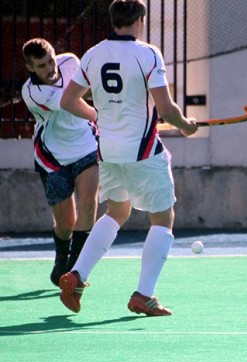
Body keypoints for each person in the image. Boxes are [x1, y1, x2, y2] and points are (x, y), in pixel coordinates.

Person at [59, 0, 198, 316]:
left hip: (108, 151)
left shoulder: (93, 54)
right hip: (143, 152)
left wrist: (98, 116)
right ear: (140, 20)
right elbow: (166, 109)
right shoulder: (147, 54)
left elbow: (67, 101)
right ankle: (144, 294)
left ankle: (77, 275)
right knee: (162, 217)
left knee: (117, 211)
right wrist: (186, 125)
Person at [21, 38, 99, 287]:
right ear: (30, 68)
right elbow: (71, 103)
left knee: (89, 204)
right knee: (66, 224)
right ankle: (62, 257)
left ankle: (75, 273)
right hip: (53, 158)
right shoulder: (32, 93)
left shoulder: (70, 61)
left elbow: (88, 88)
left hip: (86, 146)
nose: (50, 68)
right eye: (42, 66)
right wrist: (103, 117)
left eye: (51, 60)